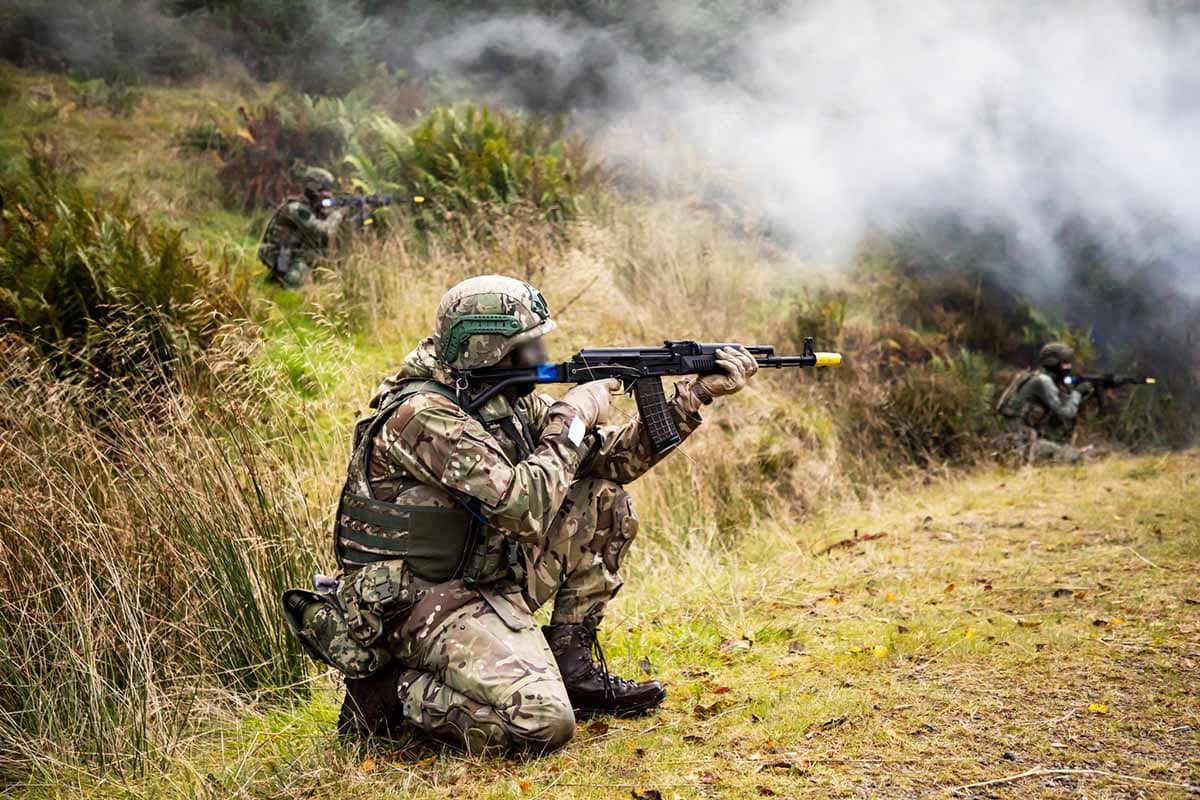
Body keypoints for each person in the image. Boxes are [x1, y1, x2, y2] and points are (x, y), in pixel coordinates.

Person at [283, 275, 759, 755]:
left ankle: (572, 666)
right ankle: (391, 691)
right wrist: (572, 414)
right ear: (488, 350)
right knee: (543, 723)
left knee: (602, 497)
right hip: (418, 603)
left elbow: (607, 460)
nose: (542, 353)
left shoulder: (503, 398)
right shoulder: (423, 417)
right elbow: (524, 508)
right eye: (528, 345)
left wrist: (695, 397)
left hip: (485, 575)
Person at [995, 341, 1093, 464]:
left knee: (1069, 453)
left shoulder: (1039, 377)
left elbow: (1063, 407)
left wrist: (1078, 396)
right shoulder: (1043, 381)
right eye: (1065, 363)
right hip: (1021, 444)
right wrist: (1077, 393)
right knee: (1075, 459)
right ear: (1053, 362)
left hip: (1018, 440)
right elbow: (1066, 413)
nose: (1068, 367)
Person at [257, 167, 346, 288]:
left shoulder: (311, 207)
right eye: (325, 190)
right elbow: (323, 231)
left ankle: (277, 280)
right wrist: (338, 214)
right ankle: (284, 283)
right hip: (279, 255)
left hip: (290, 253)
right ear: (314, 189)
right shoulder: (296, 208)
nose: (329, 194)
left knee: (320, 258)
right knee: (300, 272)